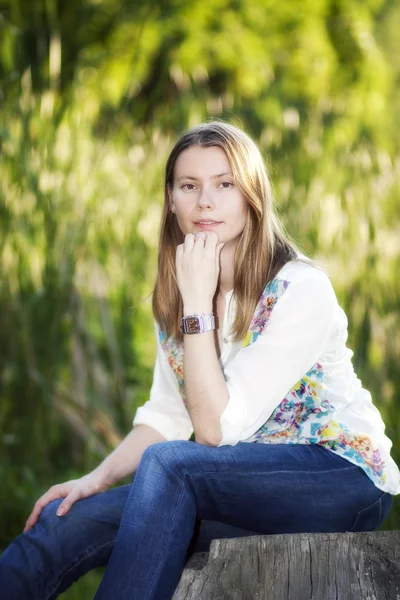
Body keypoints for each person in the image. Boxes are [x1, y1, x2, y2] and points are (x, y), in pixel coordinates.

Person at [0, 120, 399, 600]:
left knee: (172, 467)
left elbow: (212, 431)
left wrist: (196, 307)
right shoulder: (177, 295)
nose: (205, 201)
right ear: (171, 199)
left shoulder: (299, 289)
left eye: (224, 185)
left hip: (340, 478)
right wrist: (94, 479)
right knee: (64, 520)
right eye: (189, 186)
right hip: (239, 485)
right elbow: (168, 416)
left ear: (251, 194)